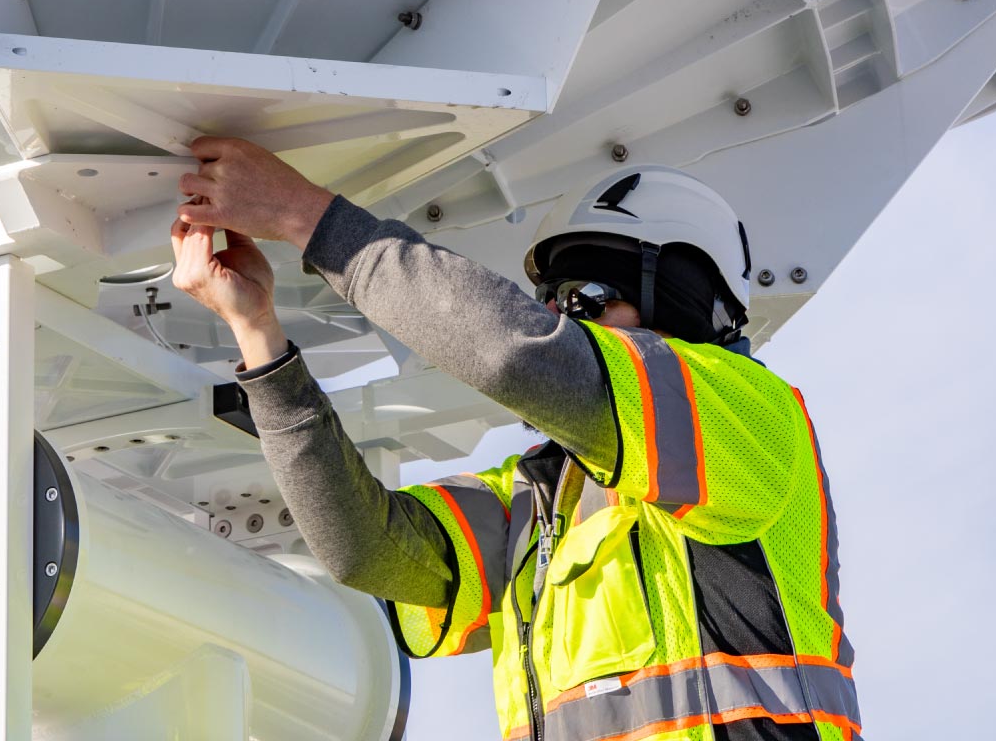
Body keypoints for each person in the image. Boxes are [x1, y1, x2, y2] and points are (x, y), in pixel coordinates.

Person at [170, 137, 858, 741]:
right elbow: (366, 548)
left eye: (584, 299)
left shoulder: (749, 414)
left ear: (678, 297)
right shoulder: (538, 502)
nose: (562, 320)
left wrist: (302, 214)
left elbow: (517, 355)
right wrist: (258, 332)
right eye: (551, 305)